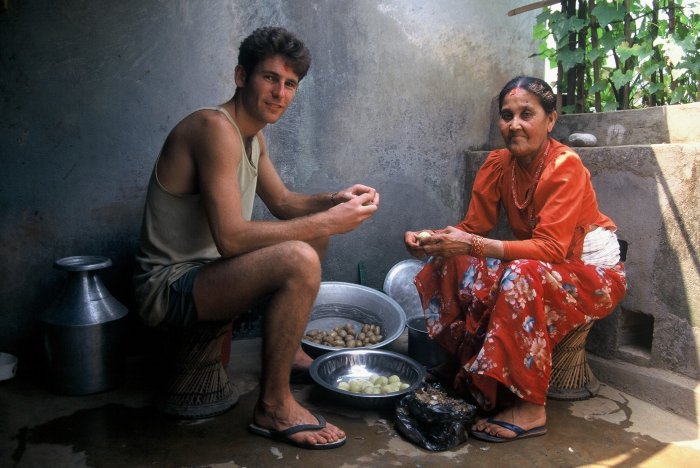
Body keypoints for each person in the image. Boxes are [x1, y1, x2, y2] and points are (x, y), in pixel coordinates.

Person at [133, 26, 380, 449]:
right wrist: (329, 221)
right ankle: (273, 405)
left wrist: (333, 199)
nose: (280, 93)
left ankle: (290, 355)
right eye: (269, 78)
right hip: (169, 286)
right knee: (302, 254)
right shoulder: (214, 128)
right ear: (240, 76)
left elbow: (283, 202)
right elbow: (230, 238)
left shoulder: (252, 136)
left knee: (312, 238)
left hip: (210, 272)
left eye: (290, 84)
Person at [403, 76, 626, 443]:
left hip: (592, 275)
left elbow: (553, 248)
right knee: (452, 260)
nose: (515, 125)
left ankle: (530, 406)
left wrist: (470, 244)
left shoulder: (564, 166)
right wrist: (432, 241)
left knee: (520, 274)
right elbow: (473, 227)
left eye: (527, 114)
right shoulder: (498, 164)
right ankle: (461, 364)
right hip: (545, 266)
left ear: (551, 120)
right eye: (507, 116)